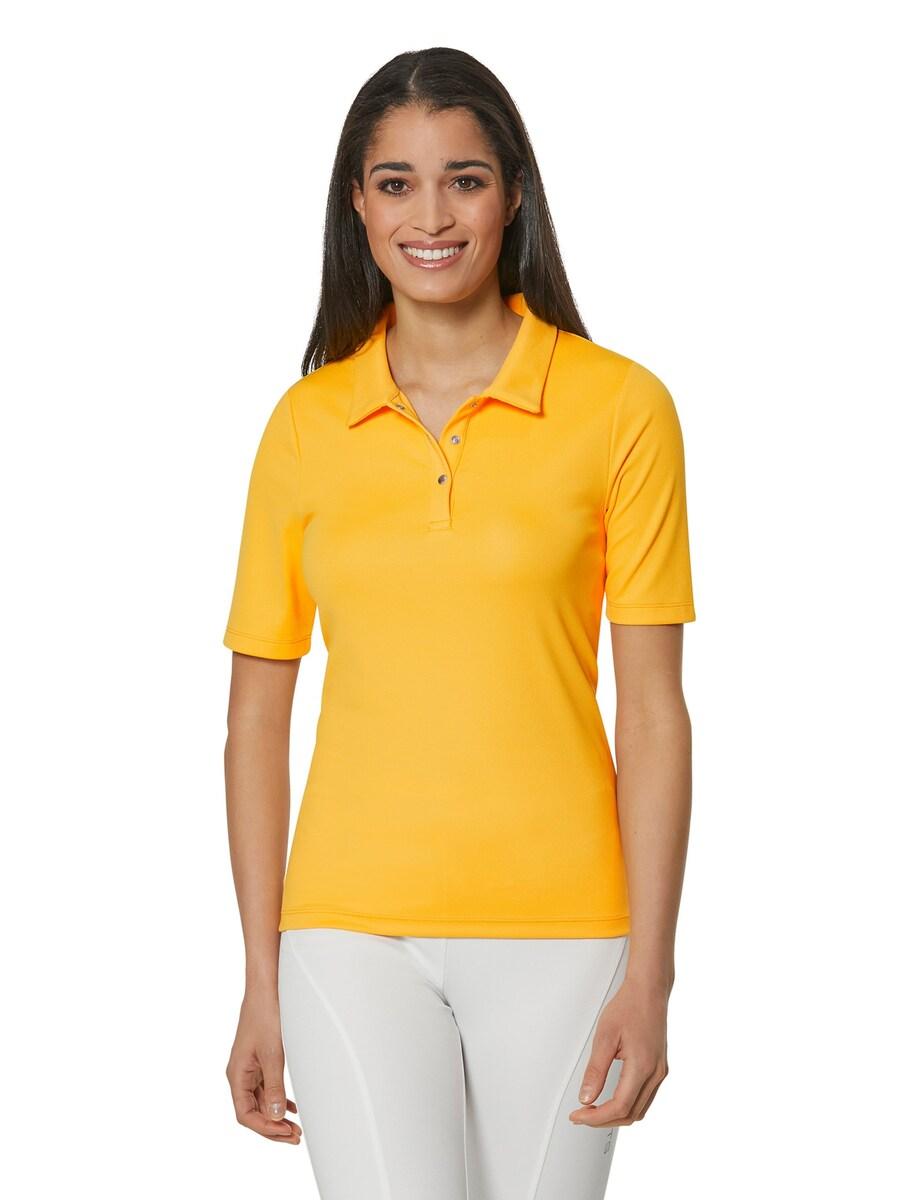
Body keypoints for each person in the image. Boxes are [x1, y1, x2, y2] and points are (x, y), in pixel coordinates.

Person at [222, 46, 696, 1200]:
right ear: (357, 203)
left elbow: (652, 712)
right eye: (396, 183)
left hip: (568, 931)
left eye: (464, 180)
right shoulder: (305, 426)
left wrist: (652, 974)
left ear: (514, 193)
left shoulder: (621, 408)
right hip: (346, 932)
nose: (430, 217)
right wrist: (260, 980)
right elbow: (254, 724)